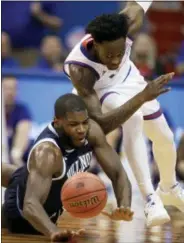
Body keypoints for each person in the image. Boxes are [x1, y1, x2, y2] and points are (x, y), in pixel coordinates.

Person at [2, 79, 171, 242]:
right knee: (24, 184)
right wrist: (54, 232)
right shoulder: (47, 153)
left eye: (84, 122)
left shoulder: (91, 131)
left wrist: (123, 206)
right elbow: (30, 205)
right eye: (74, 125)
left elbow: (118, 173)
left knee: (20, 175)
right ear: (57, 122)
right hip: (22, 214)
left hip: (29, 181)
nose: (81, 129)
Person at [63, 0, 184, 227]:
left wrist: (141, 94)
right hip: (101, 92)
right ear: (95, 44)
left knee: (164, 137)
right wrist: (142, 98)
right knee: (134, 119)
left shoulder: (127, 23)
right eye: (109, 56)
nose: (116, 60)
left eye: (120, 53)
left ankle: (169, 187)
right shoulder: (80, 70)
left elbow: (139, 3)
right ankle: (150, 198)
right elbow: (101, 122)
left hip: (130, 78)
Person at [3, 76, 32, 167]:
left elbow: (24, 129)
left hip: (15, 157)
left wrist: (16, 154)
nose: (10, 92)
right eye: (6, 88)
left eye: (13, 88)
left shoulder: (22, 109)